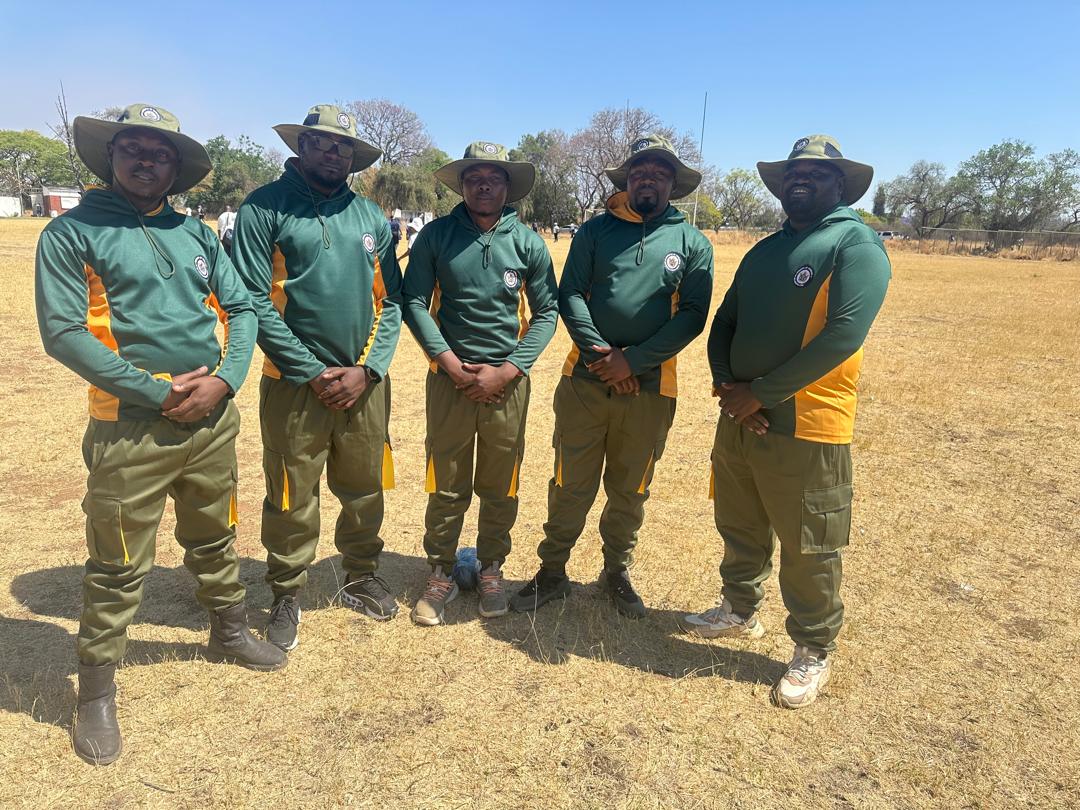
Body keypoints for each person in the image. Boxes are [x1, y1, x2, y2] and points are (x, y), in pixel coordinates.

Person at [35, 103, 286, 765]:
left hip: (212, 422)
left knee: (215, 533)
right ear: (111, 155)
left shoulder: (195, 232)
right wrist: (157, 391)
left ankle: (228, 630)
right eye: (134, 149)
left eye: (161, 153)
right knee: (118, 562)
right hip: (130, 430)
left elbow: (241, 308)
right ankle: (95, 692)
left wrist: (226, 380)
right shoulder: (72, 233)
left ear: (177, 168)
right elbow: (63, 334)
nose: (147, 161)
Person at [678, 135, 891, 709]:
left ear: (840, 184)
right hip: (740, 416)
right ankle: (739, 609)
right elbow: (725, 322)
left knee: (809, 545)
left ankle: (813, 647)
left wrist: (761, 394)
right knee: (740, 522)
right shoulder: (765, 251)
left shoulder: (854, 244)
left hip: (808, 424)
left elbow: (843, 335)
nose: (802, 178)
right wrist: (727, 385)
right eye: (795, 171)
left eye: (817, 173)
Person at [511, 134, 713, 618]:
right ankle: (552, 571)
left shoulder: (692, 242)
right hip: (585, 381)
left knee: (630, 488)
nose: (648, 180)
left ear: (672, 184)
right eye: (639, 172)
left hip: (652, 389)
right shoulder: (595, 231)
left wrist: (634, 361)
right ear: (627, 180)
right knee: (569, 482)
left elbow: (692, 315)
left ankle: (616, 571)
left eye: (659, 174)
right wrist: (604, 357)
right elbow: (570, 294)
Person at [232, 105, 403, 651]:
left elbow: (391, 303)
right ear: (301, 145)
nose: (333, 153)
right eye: (322, 143)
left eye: (343, 146)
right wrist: (309, 370)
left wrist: (368, 369)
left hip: (363, 384)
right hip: (292, 383)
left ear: (353, 156)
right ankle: (286, 589)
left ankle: (360, 573)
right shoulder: (264, 208)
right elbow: (252, 299)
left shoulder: (370, 216)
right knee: (290, 489)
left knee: (364, 484)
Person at [402, 141, 558, 625]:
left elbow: (547, 312)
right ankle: (440, 571)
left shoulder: (528, 243)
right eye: (474, 178)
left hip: (506, 384)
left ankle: (491, 568)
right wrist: (449, 363)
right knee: (446, 480)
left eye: (493, 178)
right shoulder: (437, 236)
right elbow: (413, 302)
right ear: (462, 185)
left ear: (508, 187)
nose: (483, 186)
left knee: (500, 482)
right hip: (449, 380)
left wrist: (509, 370)